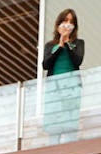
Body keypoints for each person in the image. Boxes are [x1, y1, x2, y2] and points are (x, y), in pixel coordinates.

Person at [41, 9, 84, 144]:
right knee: (54, 130)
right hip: (54, 89)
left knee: (70, 128)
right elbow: (46, 64)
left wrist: (67, 43)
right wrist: (60, 44)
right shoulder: (50, 45)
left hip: (72, 89)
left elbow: (78, 61)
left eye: (71, 22)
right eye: (65, 21)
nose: (68, 24)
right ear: (58, 24)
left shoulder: (78, 43)